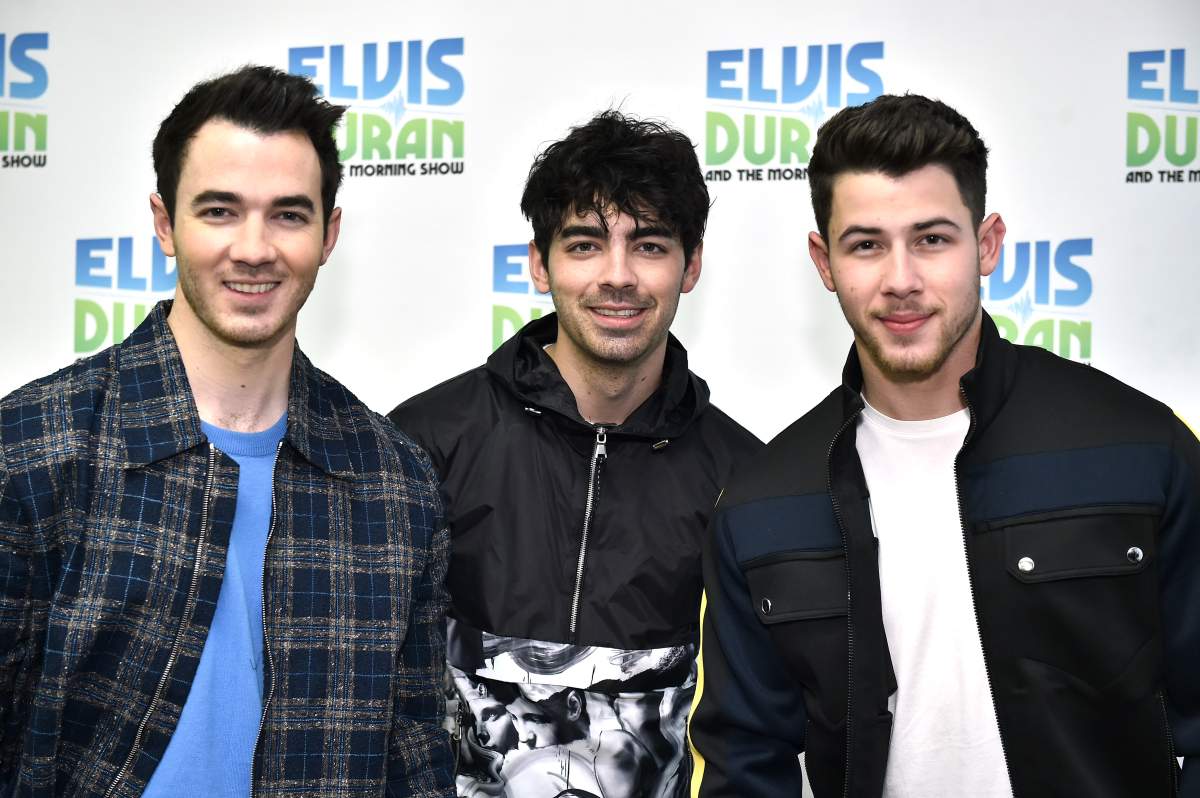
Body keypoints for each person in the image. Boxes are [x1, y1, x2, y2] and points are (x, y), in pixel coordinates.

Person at [688, 93, 1199, 798]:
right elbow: (743, 766)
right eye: (866, 244)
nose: (901, 281)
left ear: (986, 244)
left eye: (932, 239)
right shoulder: (761, 505)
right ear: (824, 260)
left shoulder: (1141, 450)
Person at [0, 65, 453, 797]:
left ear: (329, 233)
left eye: (288, 214)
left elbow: (416, 761)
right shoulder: (32, 450)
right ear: (163, 222)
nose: (253, 248)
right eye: (218, 211)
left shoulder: (394, 483)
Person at [390, 110, 762, 797]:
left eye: (649, 246)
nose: (616, 277)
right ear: (539, 262)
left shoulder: (746, 481)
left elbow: (750, 732)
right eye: (585, 245)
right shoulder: (420, 445)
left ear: (693, 264)